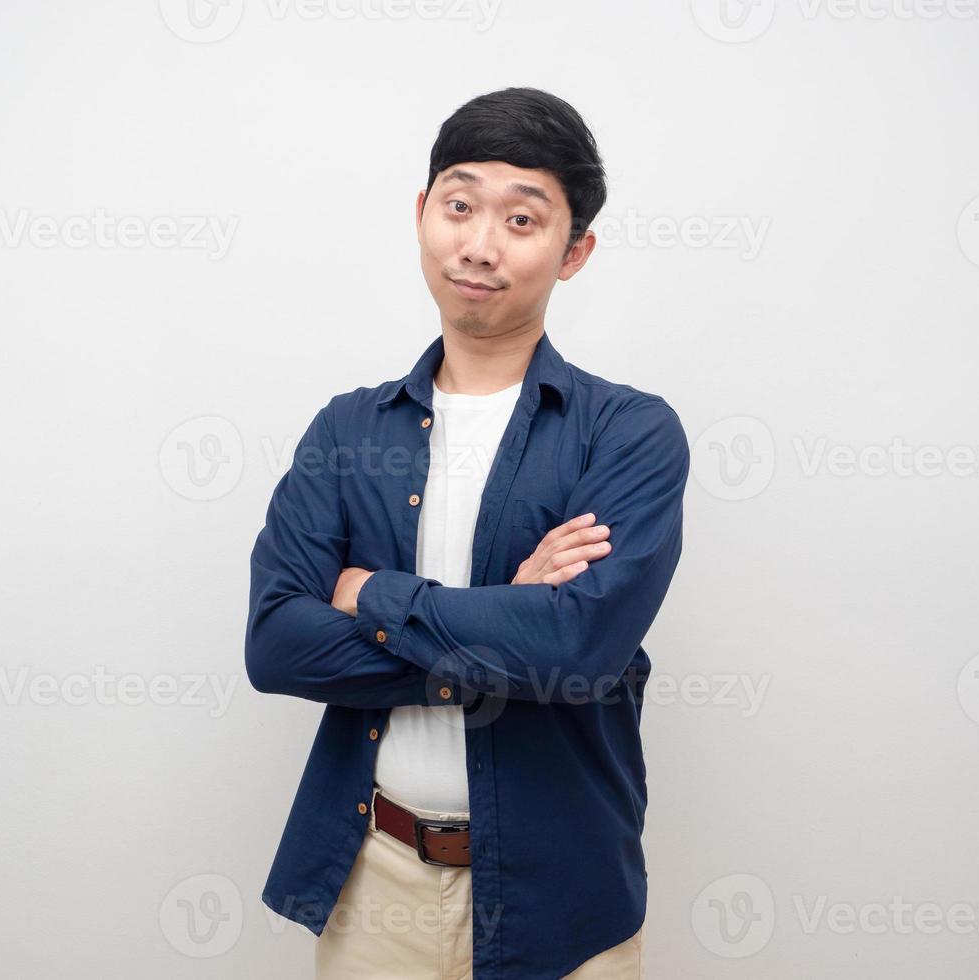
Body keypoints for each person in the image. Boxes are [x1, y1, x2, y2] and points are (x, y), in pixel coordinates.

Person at [246, 86, 688, 979]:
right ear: (422, 215)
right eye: (459, 205)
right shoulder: (345, 433)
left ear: (574, 252)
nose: (480, 245)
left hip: (563, 893)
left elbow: (581, 645)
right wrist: (504, 626)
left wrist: (371, 594)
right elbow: (277, 647)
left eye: (523, 220)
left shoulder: (628, 432)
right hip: (374, 886)